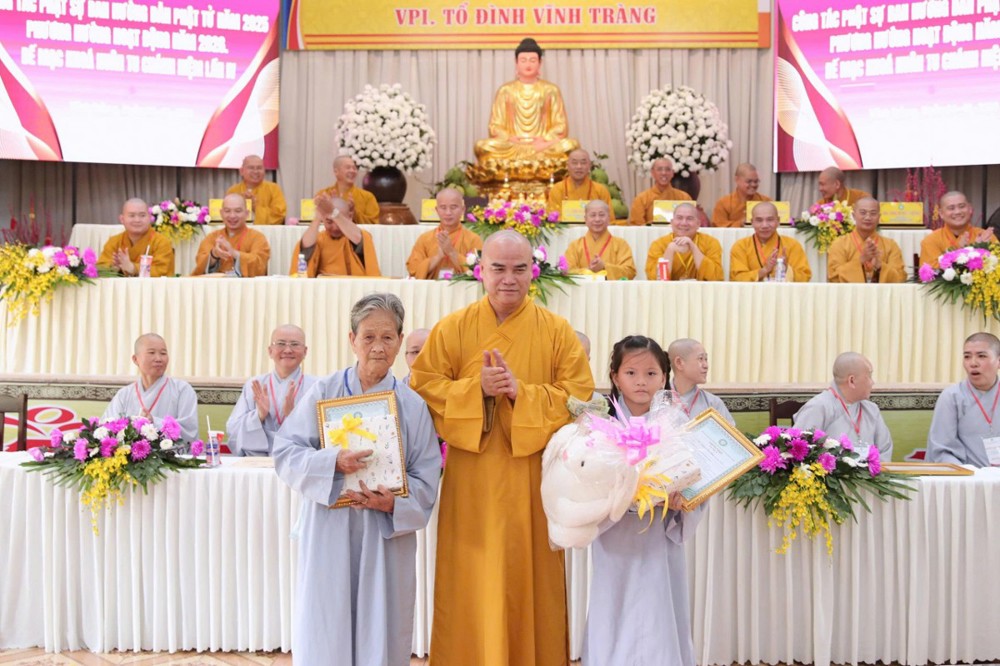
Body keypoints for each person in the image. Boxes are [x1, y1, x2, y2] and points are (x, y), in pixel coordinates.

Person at [410, 230, 594, 665]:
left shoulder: (556, 331)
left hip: (532, 477)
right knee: (471, 577)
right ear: (481, 271)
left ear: (533, 272)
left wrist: (519, 393)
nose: (508, 278)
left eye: (518, 269)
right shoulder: (453, 328)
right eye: (498, 268)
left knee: (528, 575)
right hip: (472, 478)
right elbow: (424, 387)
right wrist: (475, 389)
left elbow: (579, 396)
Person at [272, 293, 440, 665]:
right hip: (329, 526)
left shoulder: (413, 406)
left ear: (399, 341)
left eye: (387, 337)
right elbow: (285, 451)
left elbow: (427, 478)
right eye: (368, 337)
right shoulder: (324, 392)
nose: (378, 347)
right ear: (352, 340)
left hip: (384, 533)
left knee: (381, 622)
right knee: (326, 619)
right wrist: (331, 461)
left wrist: (395, 503)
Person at [584, 335, 703, 666]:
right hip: (614, 533)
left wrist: (683, 499)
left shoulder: (676, 423)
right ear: (615, 376)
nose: (641, 382)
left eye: (651, 374)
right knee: (614, 602)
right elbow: (585, 479)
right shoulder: (599, 424)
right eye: (631, 373)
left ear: (664, 378)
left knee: (659, 604)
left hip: (658, 535)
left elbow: (695, 477)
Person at [474, 37, 579, 164]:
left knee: (571, 145)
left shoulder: (551, 90)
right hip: (513, 145)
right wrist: (509, 138)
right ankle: (533, 158)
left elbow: (561, 126)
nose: (528, 65)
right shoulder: (505, 90)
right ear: (516, 62)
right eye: (523, 60)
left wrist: (544, 139)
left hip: (542, 145)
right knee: (482, 146)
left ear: (540, 63)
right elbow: (494, 126)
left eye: (533, 60)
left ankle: (523, 159)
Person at [226, 325, 316, 457]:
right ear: (270, 351)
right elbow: (233, 429)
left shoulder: (316, 387)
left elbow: (326, 433)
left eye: (295, 344)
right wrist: (258, 416)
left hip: (300, 460)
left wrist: (293, 417)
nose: (288, 350)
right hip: (257, 460)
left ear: (305, 351)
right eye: (281, 344)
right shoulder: (254, 384)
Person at [793, 352, 893, 461]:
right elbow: (801, 451)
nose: (872, 382)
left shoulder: (871, 409)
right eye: (869, 376)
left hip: (869, 471)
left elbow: (885, 450)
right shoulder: (818, 407)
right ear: (852, 381)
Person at [103, 333, 198, 440]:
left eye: (163, 353)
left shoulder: (183, 390)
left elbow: (189, 432)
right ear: (135, 359)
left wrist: (154, 422)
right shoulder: (124, 394)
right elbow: (106, 428)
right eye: (151, 353)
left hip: (170, 451)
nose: (159, 358)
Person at [926, 332, 1000, 467]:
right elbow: (941, 450)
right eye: (967, 357)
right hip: (966, 476)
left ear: (998, 361)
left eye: (981, 356)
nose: (973, 363)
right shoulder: (952, 397)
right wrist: (969, 474)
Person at [290, 195, 381, 277]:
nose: (335, 227)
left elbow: (358, 238)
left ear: (350, 216)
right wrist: (318, 217)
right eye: (329, 222)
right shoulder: (319, 239)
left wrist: (334, 213)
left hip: (352, 287)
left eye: (338, 222)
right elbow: (305, 248)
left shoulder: (356, 236)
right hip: (324, 287)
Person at [406, 188, 482, 279]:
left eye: (453, 207)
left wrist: (451, 252)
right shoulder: (425, 239)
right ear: (437, 210)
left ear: (463, 210)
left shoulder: (473, 239)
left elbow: (478, 272)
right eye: (443, 207)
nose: (448, 212)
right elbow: (414, 271)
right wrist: (438, 257)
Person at [828, 198, 906, 283]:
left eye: (873, 213)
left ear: (879, 217)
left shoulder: (890, 245)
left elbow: (900, 277)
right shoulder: (839, 244)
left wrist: (880, 266)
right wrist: (860, 261)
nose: (868, 217)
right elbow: (834, 277)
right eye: (863, 212)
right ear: (854, 216)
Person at [729, 201, 811, 282]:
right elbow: (737, 278)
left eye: (770, 220)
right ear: (752, 222)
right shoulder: (741, 246)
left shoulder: (792, 245)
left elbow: (805, 277)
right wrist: (764, 270)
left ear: (778, 221)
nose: (764, 225)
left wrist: (786, 268)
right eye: (759, 220)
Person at [192, 193, 270, 277]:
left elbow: (260, 265)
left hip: (244, 284)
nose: (232, 216)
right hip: (216, 284)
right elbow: (200, 265)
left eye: (238, 211)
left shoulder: (257, 237)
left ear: (247, 214)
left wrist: (234, 253)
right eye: (227, 211)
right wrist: (214, 254)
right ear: (221, 213)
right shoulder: (212, 237)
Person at [644, 203, 723, 281]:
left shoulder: (711, 243)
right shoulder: (659, 244)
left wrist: (693, 248)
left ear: (698, 224)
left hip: (701, 289)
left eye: (689, 218)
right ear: (672, 222)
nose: (684, 223)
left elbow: (716, 278)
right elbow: (655, 279)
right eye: (679, 218)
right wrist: (670, 250)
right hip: (669, 289)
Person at [97, 198, 175, 277]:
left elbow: (162, 270)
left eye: (142, 215)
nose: (137, 220)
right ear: (122, 219)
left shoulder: (162, 242)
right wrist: (114, 269)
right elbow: (101, 267)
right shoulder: (114, 242)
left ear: (149, 218)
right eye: (132, 215)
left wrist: (133, 268)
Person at [667, 338, 734, 425]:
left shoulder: (713, 403)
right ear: (679, 363)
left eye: (706, 359)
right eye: (700, 359)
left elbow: (729, 432)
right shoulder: (659, 400)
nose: (706, 365)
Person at [563, 200, 637, 280]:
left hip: (611, 288)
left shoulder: (621, 244)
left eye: (601, 215)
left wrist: (604, 267)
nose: (597, 219)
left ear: (609, 219)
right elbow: (566, 271)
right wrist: (588, 271)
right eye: (593, 215)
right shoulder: (575, 246)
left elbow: (629, 272)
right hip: (583, 288)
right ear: (585, 219)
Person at [919, 191, 994, 268]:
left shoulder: (985, 236)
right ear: (941, 213)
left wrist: (982, 246)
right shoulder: (931, 241)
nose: (957, 212)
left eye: (962, 206)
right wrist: (959, 251)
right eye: (951, 208)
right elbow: (930, 271)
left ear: (970, 209)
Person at [628, 157, 693, 226]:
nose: (664, 173)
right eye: (659, 169)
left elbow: (691, 222)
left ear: (672, 173)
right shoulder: (641, 199)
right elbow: (637, 226)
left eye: (668, 169)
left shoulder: (684, 197)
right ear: (652, 173)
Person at [316, 155, 380, 224]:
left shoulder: (368, 197)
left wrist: (353, 212)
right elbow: (314, 219)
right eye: (348, 167)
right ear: (336, 171)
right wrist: (330, 209)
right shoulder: (323, 195)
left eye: (354, 168)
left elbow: (373, 224)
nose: (352, 171)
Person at [225, 154, 287, 225]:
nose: (255, 171)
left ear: (264, 171)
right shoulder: (233, 191)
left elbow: (279, 215)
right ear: (241, 171)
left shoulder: (274, 189)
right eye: (251, 168)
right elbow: (226, 215)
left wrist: (255, 207)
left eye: (259, 168)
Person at [546, 148, 612, 213]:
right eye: (574, 163)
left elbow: (608, 217)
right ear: (567, 166)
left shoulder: (600, 191)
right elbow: (553, 217)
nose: (579, 166)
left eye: (583, 163)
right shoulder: (557, 189)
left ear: (589, 166)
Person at [711, 162, 771, 228]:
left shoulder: (766, 202)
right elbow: (718, 226)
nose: (753, 185)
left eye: (756, 181)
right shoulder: (723, 203)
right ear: (737, 180)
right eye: (749, 181)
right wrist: (740, 223)